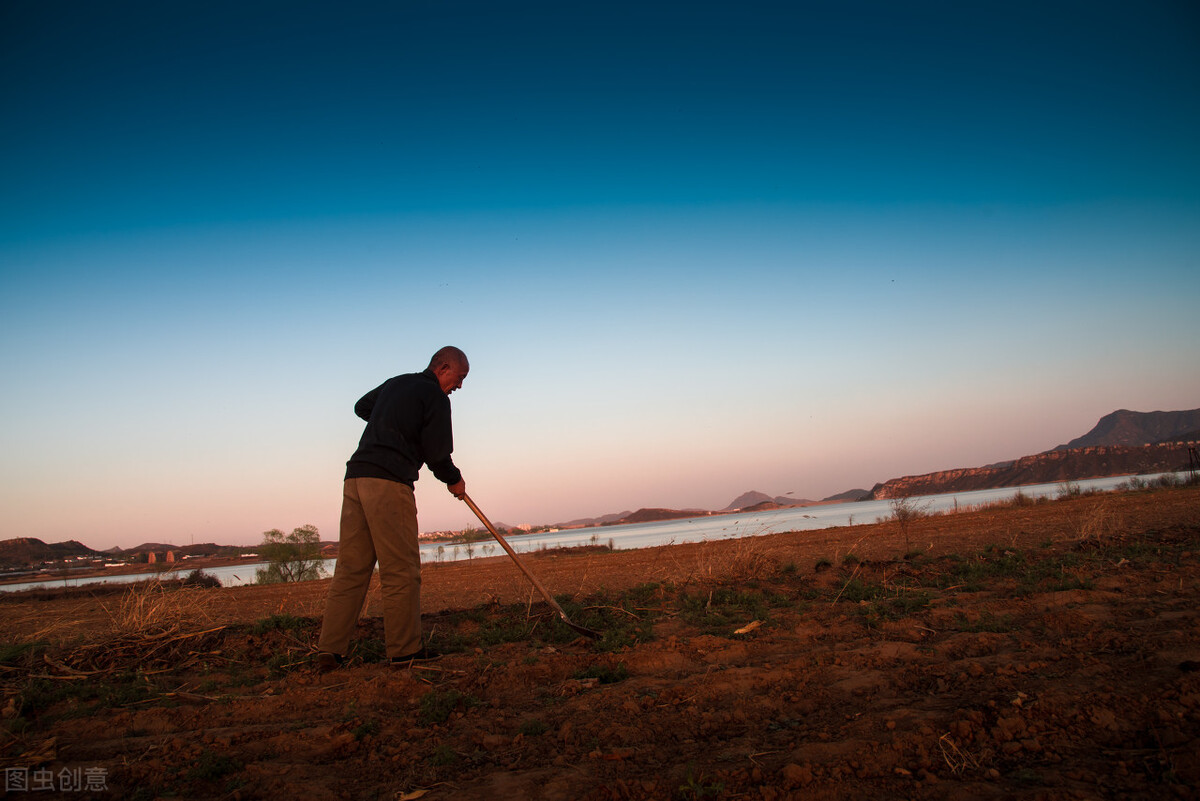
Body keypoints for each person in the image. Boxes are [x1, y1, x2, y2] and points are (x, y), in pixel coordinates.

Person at [316, 346, 469, 669]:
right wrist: (453, 480)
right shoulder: (437, 398)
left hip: (355, 479)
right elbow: (438, 454)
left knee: (350, 570)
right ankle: (403, 651)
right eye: (460, 378)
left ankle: (329, 650)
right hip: (389, 483)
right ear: (443, 368)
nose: (459, 386)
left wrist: (393, 419)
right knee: (401, 569)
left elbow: (362, 407)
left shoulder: (396, 383)